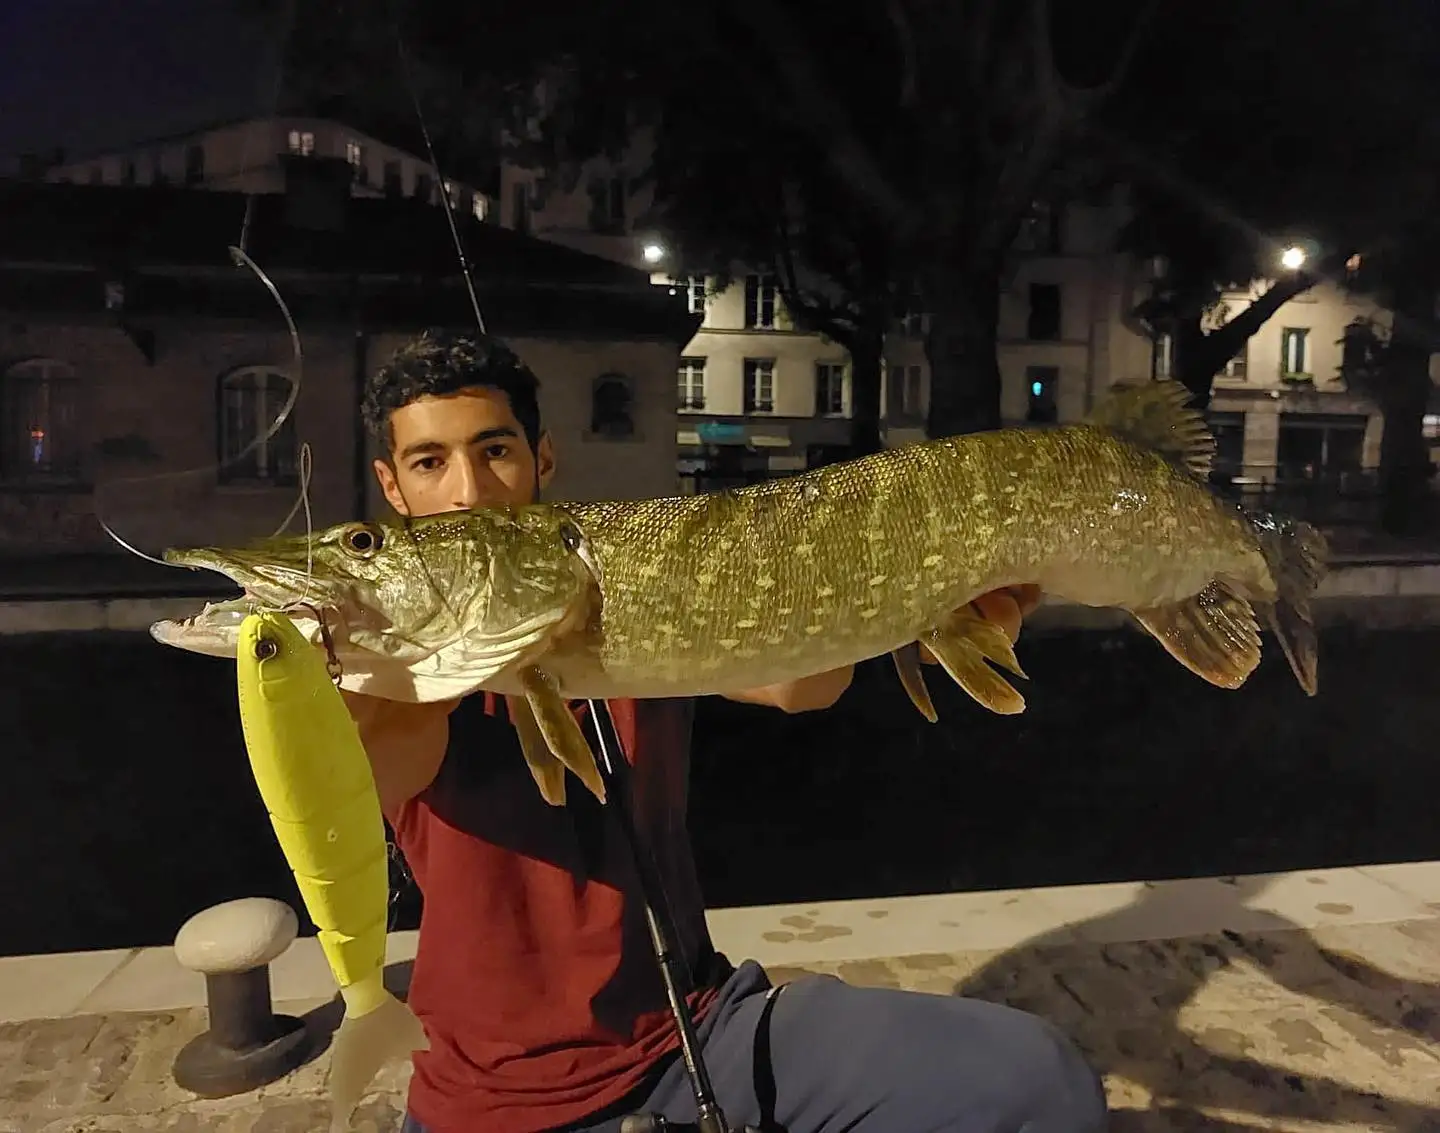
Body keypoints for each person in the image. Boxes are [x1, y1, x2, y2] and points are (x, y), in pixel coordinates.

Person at [347, 329, 1107, 1133]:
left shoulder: (622, 585)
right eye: (429, 462)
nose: (469, 491)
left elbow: (802, 683)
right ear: (392, 486)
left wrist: (929, 598)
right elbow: (384, 759)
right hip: (492, 1104)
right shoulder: (386, 670)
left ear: (543, 457)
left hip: (695, 1035)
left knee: (1041, 1081)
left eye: (494, 450)